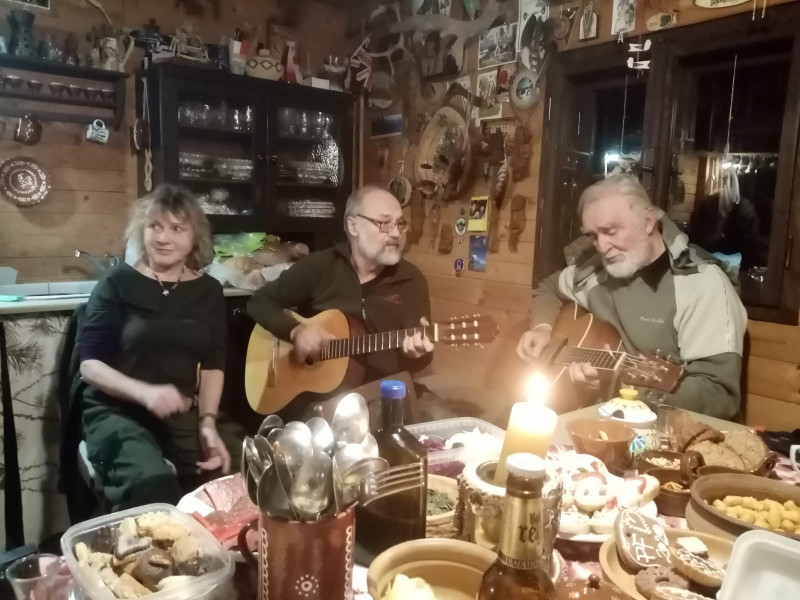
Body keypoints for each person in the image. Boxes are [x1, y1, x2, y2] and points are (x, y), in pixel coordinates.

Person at [516, 175, 748, 419]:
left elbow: (719, 395)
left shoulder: (702, 284)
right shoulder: (596, 273)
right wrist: (541, 329)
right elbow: (550, 287)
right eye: (593, 236)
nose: (602, 247)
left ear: (648, 222)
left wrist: (618, 386)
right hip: (598, 418)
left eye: (610, 231)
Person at [80, 185, 242, 510]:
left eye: (177, 228)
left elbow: (214, 364)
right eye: (155, 226)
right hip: (117, 412)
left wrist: (207, 422)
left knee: (242, 470)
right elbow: (89, 365)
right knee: (154, 488)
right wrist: (145, 393)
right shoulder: (116, 283)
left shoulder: (209, 290)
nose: (163, 238)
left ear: (194, 237)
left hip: (182, 412)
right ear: (142, 231)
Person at [247, 186, 433, 416]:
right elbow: (259, 301)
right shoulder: (320, 266)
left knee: (445, 420)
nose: (396, 234)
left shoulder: (412, 280)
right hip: (323, 398)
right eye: (385, 223)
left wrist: (417, 354)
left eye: (400, 223)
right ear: (353, 226)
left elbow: (420, 360)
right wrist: (295, 331)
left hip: (385, 393)